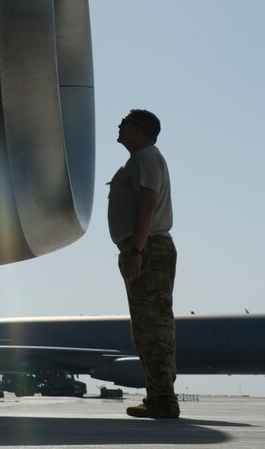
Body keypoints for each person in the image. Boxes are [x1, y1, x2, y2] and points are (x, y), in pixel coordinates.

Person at [107, 109, 180, 419]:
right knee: (146, 327)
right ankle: (158, 396)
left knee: (153, 328)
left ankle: (163, 398)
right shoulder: (142, 159)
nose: (120, 127)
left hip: (147, 249)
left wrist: (136, 250)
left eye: (125, 124)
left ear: (138, 130)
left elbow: (148, 204)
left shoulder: (145, 158)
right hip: (144, 248)